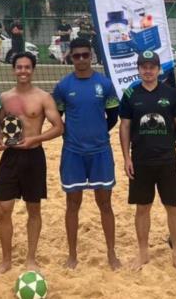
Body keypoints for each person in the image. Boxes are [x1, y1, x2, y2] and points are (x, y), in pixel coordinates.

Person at [0, 51, 64, 273]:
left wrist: (35, 139)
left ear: (33, 70)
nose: (23, 71)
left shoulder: (43, 97)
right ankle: (6, 260)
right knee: (3, 209)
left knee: (33, 209)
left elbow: (59, 128)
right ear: (14, 70)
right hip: (10, 157)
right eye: (19, 67)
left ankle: (31, 258)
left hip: (34, 156)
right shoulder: (4, 97)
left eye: (27, 67)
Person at [52, 37, 122, 270]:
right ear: (70, 57)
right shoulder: (63, 86)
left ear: (91, 56)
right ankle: (72, 255)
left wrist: (98, 132)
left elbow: (113, 116)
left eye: (85, 55)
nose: (81, 59)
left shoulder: (105, 84)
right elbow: (57, 119)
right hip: (73, 152)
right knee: (73, 203)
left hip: (100, 151)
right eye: (76, 55)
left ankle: (111, 253)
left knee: (105, 203)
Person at [119, 50, 176, 271]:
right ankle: (143, 253)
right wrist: (126, 157)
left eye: (152, 67)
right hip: (140, 160)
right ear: (139, 69)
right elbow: (125, 126)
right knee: (142, 208)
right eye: (144, 66)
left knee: (173, 207)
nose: (148, 70)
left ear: (158, 69)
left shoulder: (170, 93)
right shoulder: (130, 94)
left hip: (168, 159)